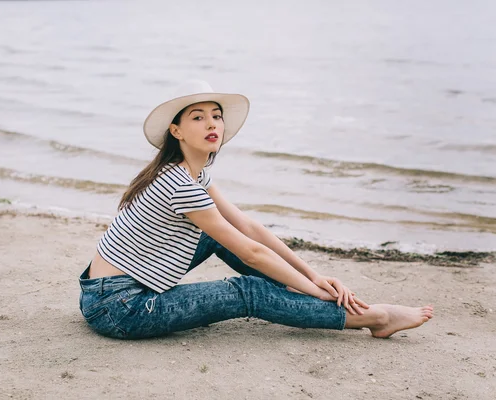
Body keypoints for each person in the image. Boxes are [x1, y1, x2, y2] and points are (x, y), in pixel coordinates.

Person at [78, 80, 433, 340]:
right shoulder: (182, 185)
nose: (212, 123)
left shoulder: (193, 173)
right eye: (198, 118)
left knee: (218, 239)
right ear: (177, 131)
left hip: (107, 289)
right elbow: (251, 252)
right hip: (121, 307)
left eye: (216, 116)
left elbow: (249, 227)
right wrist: (315, 290)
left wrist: (311, 276)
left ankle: (298, 294)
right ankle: (375, 317)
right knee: (247, 292)